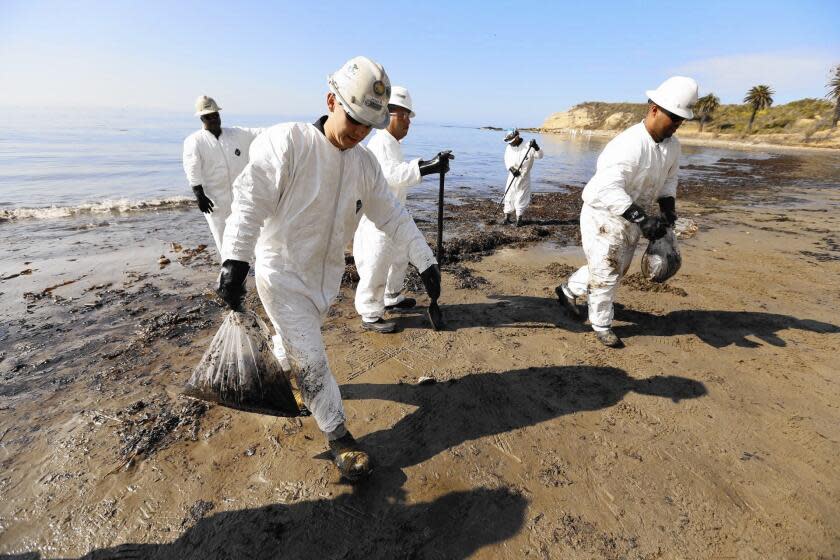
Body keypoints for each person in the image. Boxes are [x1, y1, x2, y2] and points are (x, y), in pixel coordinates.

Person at [216, 57, 445, 481]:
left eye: (367, 126)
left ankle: (281, 377)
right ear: (330, 100)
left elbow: (392, 215)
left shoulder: (363, 164)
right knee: (313, 359)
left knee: (297, 344)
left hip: (325, 281)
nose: (359, 132)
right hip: (280, 273)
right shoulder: (288, 143)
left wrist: (425, 260)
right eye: (354, 119)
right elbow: (249, 204)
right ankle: (338, 435)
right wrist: (234, 261)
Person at [555, 76, 698, 348]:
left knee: (615, 269)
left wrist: (668, 211)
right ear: (654, 109)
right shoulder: (629, 144)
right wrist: (643, 219)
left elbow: (669, 181)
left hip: (631, 216)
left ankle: (567, 290)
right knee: (607, 271)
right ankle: (601, 324)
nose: (678, 124)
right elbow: (607, 190)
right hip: (603, 215)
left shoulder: (672, 147)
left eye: (682, 119)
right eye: (674, 117)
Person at [353, 86, 452, 333]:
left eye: (409, 116)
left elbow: (398, 172)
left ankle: (392, 296)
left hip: (394, 215)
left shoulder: (392, 143)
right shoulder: (379, 143)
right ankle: (370, 313)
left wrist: (431, 165)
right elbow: (392, 174)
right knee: (376, 263)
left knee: (399, 258)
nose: (407, 121)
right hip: (378, 220)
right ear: (387, 114)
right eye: (403, 115)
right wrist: (428, 166)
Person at [182, 96, 264, 257]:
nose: (213, 119)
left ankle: (251, 271)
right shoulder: (195, 141)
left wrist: (294, 130)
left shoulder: (236, 134)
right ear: (201, 118)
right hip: (216, 202)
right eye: (208, 116)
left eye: (215, 115)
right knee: (224, 242)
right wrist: (199, 195)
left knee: (250, 238)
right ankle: (230, 278)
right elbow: (192, 167)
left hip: (242, 198)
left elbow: (262, 132)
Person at [502, 129, 543, 226]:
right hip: (512, 175)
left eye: (511, 140)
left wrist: (536, 147)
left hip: (524, 177)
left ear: (516, 137)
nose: (510, 143)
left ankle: (519, 220)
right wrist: (511, 168)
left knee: (522, 197)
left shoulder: (529, 146)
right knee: (508, 195)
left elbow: (540, 156)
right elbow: (506, 159)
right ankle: (506, 218)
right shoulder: (509, 147)